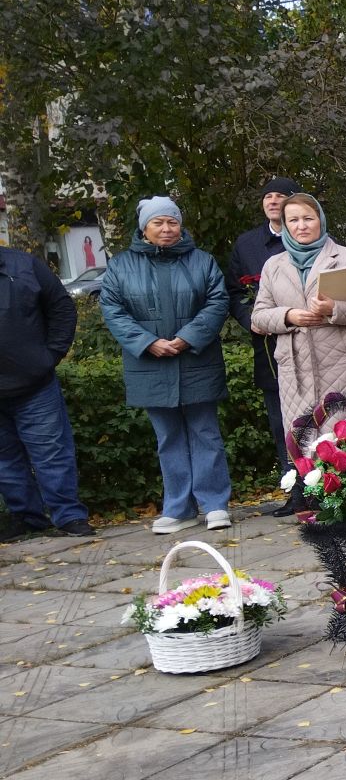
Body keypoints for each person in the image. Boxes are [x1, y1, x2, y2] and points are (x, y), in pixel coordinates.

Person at [99, 197, 234, 534]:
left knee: (206, 434)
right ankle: (179, 508)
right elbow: (112, 308)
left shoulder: (202, 261)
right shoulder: (121, 265)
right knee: (168, 437)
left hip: (197, 360)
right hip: (150, 365)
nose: (166, 228)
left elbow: (218, 301)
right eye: (158, 222)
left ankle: (215, 504)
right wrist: (148, 342)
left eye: (172, 222)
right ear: (144, 227)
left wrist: (188, 336)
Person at [249, 192, 346, 453]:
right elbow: (259, 315)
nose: (301, 226)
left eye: (308, 218)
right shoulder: (273, 265)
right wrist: (288, 316)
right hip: (295, 370)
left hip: (344, 365)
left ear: (320, 219)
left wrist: (335, 309)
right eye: (293, 220)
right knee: (306, 448)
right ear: (285, 225)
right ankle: (308, 496)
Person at [0, 244, 93, 539]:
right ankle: (27, 518)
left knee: (52, 453)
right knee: (4, 459)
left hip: (34, 385)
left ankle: (68, 516)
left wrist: (50, 355)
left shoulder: (24, 265)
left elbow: (62, 308)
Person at [226, 175, 300, 512]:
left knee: (315, 416)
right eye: (267, 196)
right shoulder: (247, 245)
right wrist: (251, 321)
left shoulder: (306, 235)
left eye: (281, 196)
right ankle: (293, 489)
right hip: (269, 347)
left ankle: (327, 485)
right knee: (279, 420)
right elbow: (235, 293)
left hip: (312, 341)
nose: (273, 201)